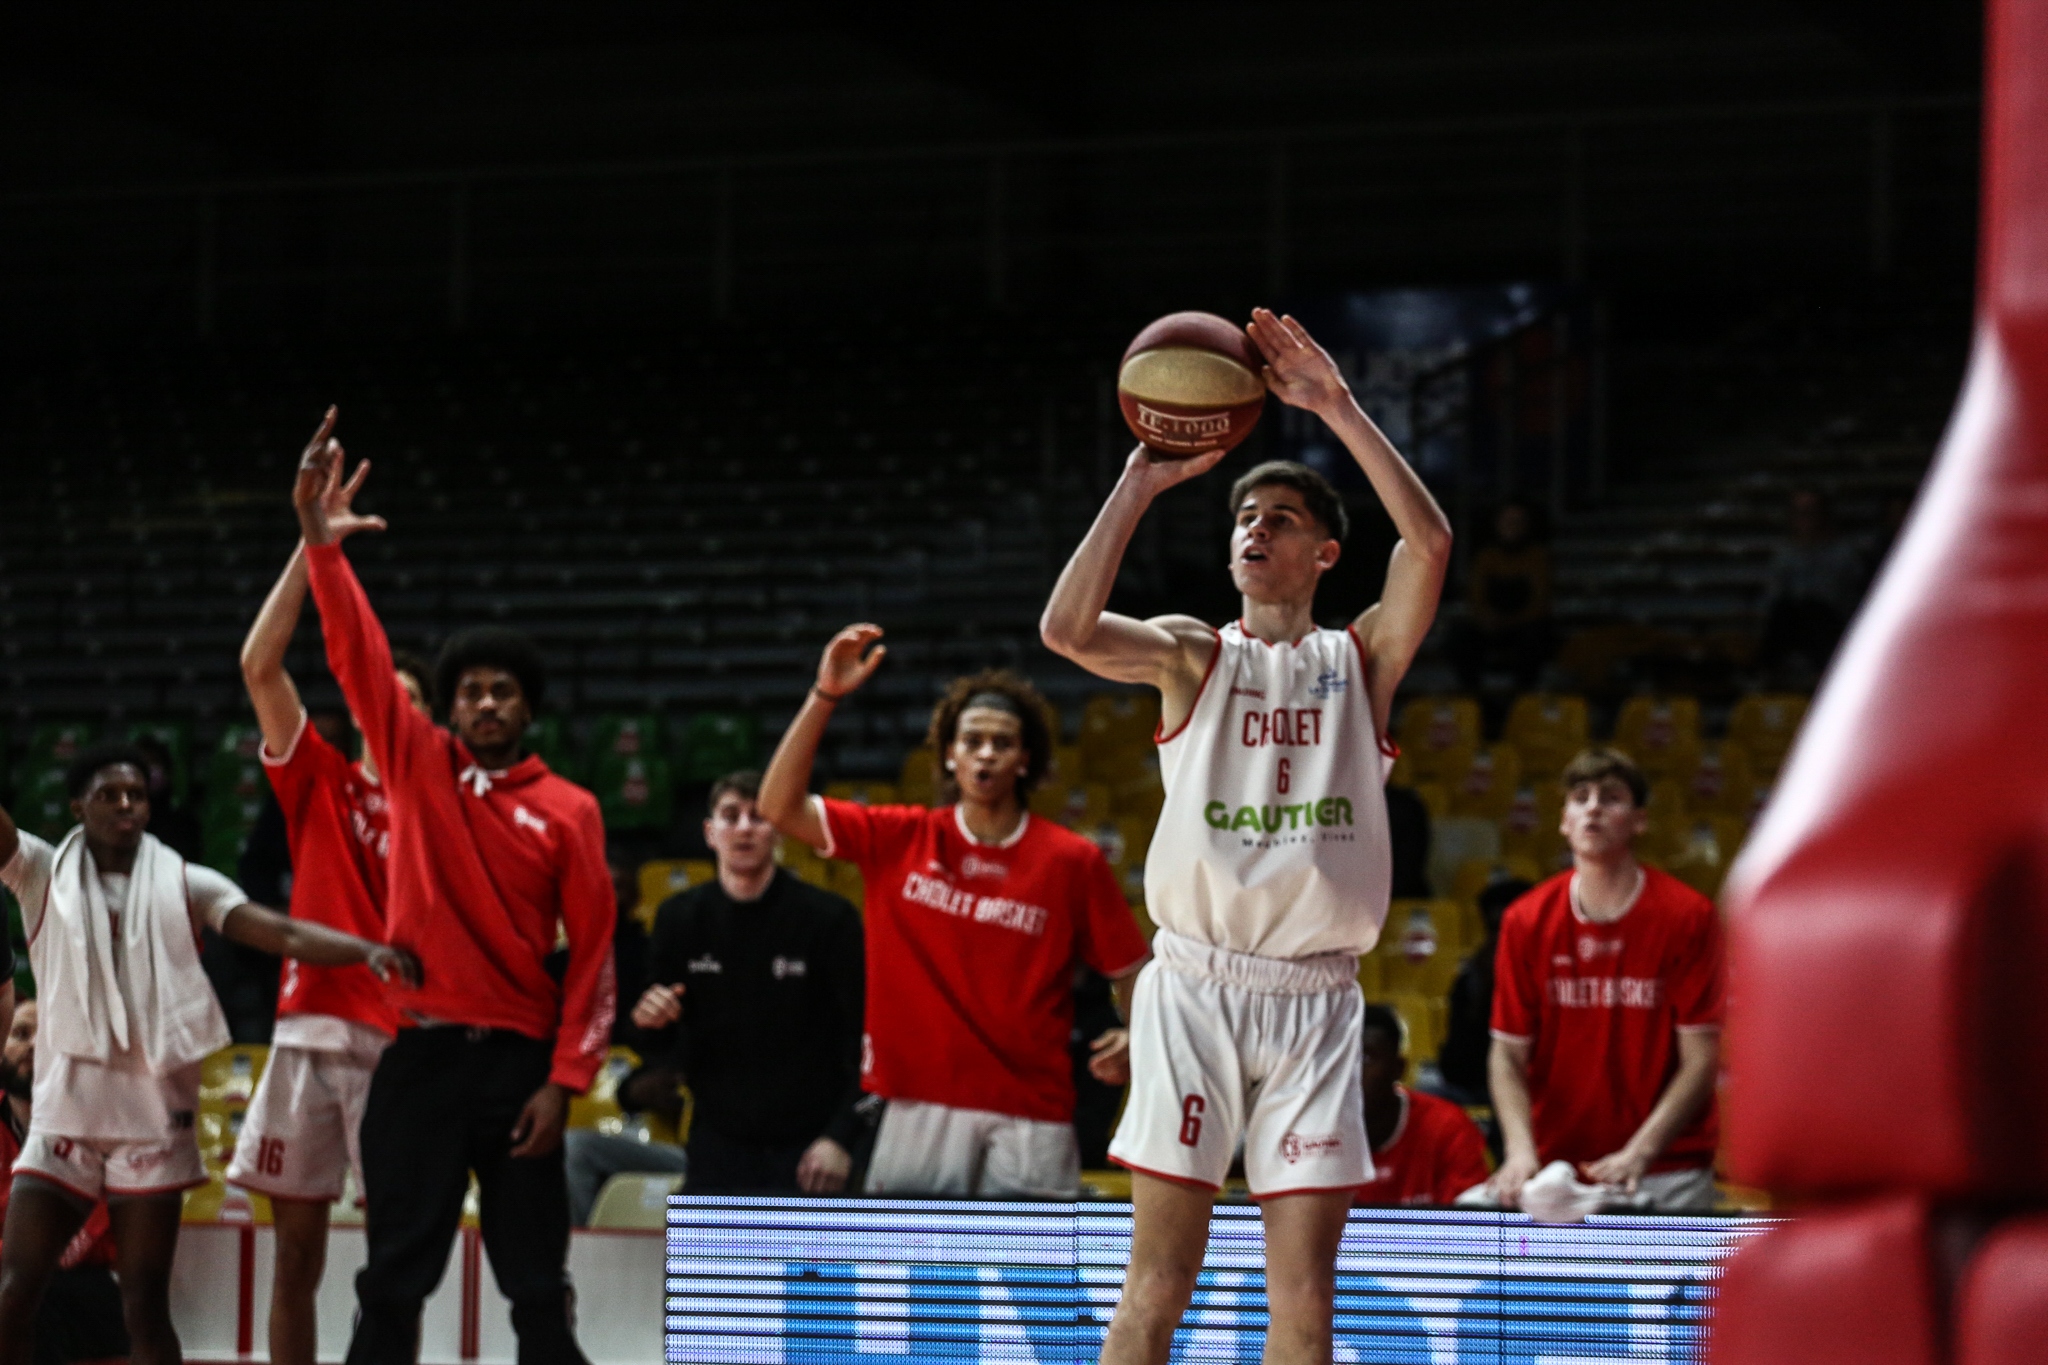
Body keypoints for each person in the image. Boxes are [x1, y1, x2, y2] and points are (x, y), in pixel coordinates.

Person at [1039, 308, 1451, 1365]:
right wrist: (1138, 483)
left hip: (1314, 1000)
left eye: (1277, 519)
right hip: (1195, 987)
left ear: (1323, 552)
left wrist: (1334, 405)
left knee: (1302, 1304)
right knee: (1155, 1287)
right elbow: (1066, 632)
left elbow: (1429, 542)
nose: (1253, 531)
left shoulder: (1360, 660)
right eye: (1241, 521)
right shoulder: (1190, 654)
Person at [292, 409, 616, 1365]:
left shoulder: (570, 808)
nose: (483, 702)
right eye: (468, 689)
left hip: (519, 1065)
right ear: (450, 702)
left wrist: (566, 1084)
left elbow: (594, 955)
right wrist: (321, 545)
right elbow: (354, 654)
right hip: (421, 1058)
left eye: (501, 690)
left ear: (527, 703)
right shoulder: (416, 761)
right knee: (392, 1276)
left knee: (533, 1288)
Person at [0, 744, 418, 1365]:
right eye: (110, 794)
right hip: (65, 1120)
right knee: (13, 1291)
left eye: (136, 795)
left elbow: (281, 931)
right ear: (76, 806)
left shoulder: (183, 880)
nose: (125, 805)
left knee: (143, 1305)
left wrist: (364, 950)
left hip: (151, 1125)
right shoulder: (39, 870)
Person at [760, 658, 1150, 1197]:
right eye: (972, 741)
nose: (986, 752)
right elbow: (778, 806)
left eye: (1002, 742)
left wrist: (1138, 1032)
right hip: (918, 1101)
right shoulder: (899, 837)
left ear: (1024, 759)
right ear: (949, 754)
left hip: (1031, 1111)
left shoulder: (1071, 861)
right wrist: (825, 694)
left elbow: (1131, 968)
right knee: (914, 1278)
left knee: (1032, 1280)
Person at [225, 531, 435, 1365]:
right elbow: (258, 666)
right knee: (297, 1260)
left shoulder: (447, 814)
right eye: (391, 691)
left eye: (415, 697)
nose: (400, 706)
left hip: (404, 1049)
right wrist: (312, 548)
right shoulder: (321, 776)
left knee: (396, 1267)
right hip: (309, 1033)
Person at [593, 771, 864, 1210]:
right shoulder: (679, 918)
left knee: (804, 1279)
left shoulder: (828, 919)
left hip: (810, 1150)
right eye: (730, 816)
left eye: (758, 817)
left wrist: (839, 1138)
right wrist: (647, 1021)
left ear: (777, 831)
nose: (743, 828)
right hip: (717, 1146)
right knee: (709, 1277)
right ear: (709, 832)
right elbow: (660, 1044)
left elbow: (863, 1044)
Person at [1484, 748, 1725, 1213]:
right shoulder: (1526, 919)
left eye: (1611, 797)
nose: (1593, 807)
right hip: (1557, 1168)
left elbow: (1700, 1058)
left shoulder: (1688, 916)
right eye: (1581, 797)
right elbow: (1507, 1052)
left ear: (1639, 821)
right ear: (1564, 821)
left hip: (1666, 1168)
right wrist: (1518, 1151)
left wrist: (1641, 1152)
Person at [1, 999, 128, 1365]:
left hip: (81, 1279)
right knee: (20, 1291)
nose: (33, 1045)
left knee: (94, 1294)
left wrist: (65, 1249)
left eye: (47, 1036)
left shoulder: (96, 1124)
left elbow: (111, 1221)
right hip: (8, 1277)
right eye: (20, 1034)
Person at [1352, 1005, 1490, 1207]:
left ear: (1398, 1069)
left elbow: (1471, 1227)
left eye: (1365, 1058)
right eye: (1343, 1059)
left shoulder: (1448, 1127)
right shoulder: (1315, 1134)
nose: (1351, 1072)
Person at [1434, 876, 1534, 1105]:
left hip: (1533, 1091)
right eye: (1494, 929)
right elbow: (1455, 1065)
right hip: (1477, 1087)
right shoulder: (1473, 977)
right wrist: (1482, 995)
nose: (1500, 939)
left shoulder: (1553, 973)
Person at [1757, 488, 1865, 676]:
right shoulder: (1784, 556)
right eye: (1799, 512)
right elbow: (1772, 600)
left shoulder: (1845, 555)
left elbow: (1852, 601)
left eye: (1810, 512)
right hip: (1790, 630)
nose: (1805, 519)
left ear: (1823, 514)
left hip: (1832, 630)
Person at [1449, 499, 1553, 693]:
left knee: (1536, 637)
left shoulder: (1537, 556)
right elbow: (1476, 598)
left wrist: (1511, 621)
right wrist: (1488, 619)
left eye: (1517, 522)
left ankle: (1521, 696)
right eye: (1507, 521)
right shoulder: (1486, 557)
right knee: (1459, 635)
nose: (1511, 527)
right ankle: (1473, 695)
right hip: (1491, 626)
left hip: (1524, 625)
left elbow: (1540, 602)